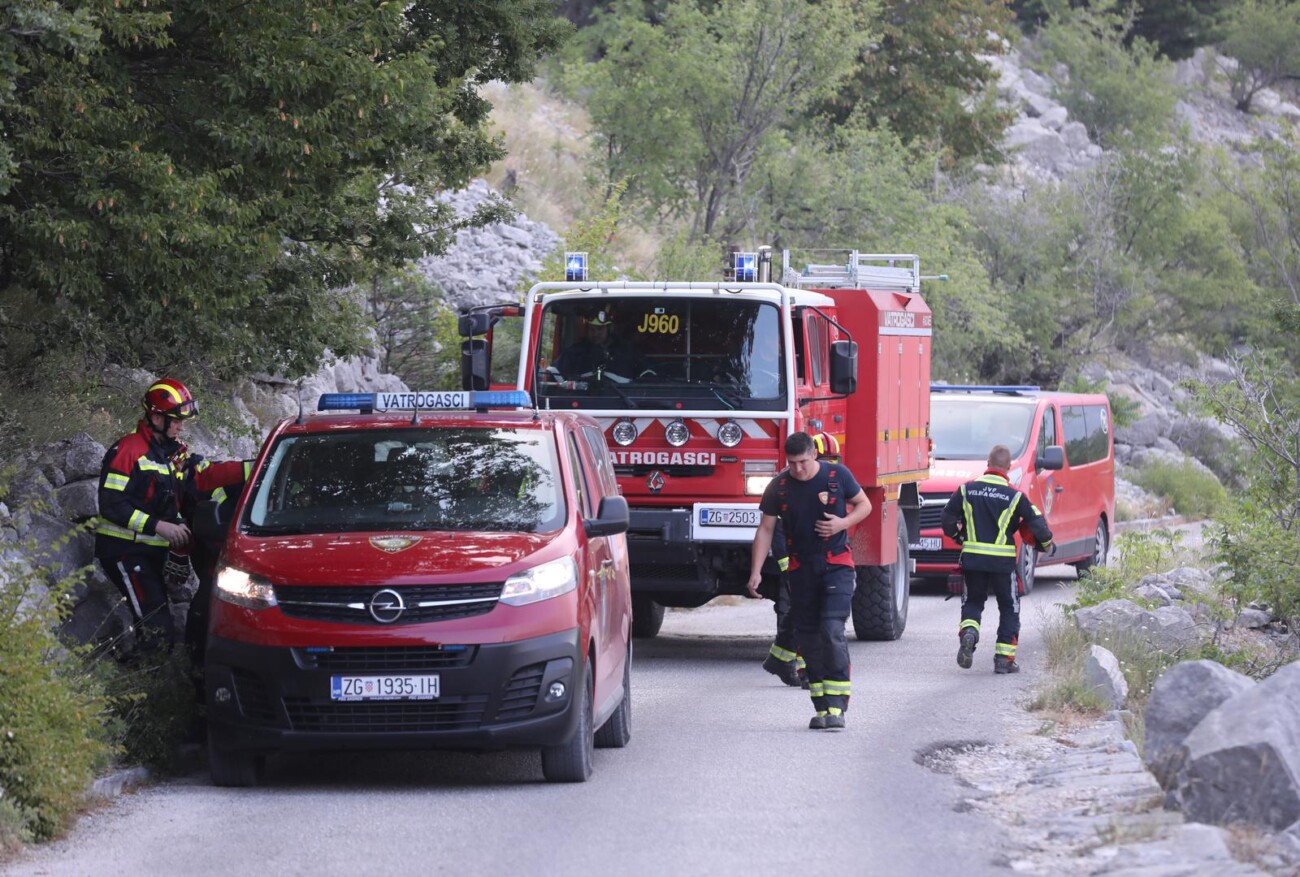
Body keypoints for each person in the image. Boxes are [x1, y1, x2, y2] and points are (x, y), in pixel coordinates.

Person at [94, 379, 250, 654]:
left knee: (158, 629)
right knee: (157, 630)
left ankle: (147, 678)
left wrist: (257, 467)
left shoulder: (172, 453)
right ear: (156, 417)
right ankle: (139, 688)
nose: (181, 426)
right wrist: (160, 527)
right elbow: (111, 505)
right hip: (125, 551)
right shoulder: (128, 451)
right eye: (176, 420)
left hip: (151, 550)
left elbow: (200, 479)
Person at [747, 432, 872, 731]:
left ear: (813, 455)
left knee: (831, 630)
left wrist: (842, 523)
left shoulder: (837, 475)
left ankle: (839, 706)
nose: (798, 469)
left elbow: (864, 504)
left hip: (837, 565)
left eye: (803, 462)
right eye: (792, 464)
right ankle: (822, 705)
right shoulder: (779, 486)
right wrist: (756, 571)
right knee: (809, 638)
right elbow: (765, 529)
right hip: (800, 570)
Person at [941, 444, 1054, 674]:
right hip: (1002, 564)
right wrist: (1047, 545)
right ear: (1009, 468)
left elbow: (947, 519)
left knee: (973, 602)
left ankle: (970, 634)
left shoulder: (966, 490)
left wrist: (960, 536)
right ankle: (1004, 659)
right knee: (1008, 607)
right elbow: (1039, 525)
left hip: (973, 560)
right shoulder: (1015, 496)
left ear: (987, 464)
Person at [760, 431, 841, 688]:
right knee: (799, 613)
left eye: (833, 459)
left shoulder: (828, 480)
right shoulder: (787, 487)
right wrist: (784, 563)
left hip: (813, 562)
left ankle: (785, 660)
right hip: (794, 561)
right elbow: (773, 529)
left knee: (805, 613)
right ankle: (799, 665)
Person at [552, 309, 655, 383]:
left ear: (609, 329)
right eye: (591, 329)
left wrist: (635, 387)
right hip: (584, 402)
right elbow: (553, 373)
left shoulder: (627, 351)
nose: (595, 333)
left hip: (624, 403)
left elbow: (649, 373)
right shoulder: (575, 352)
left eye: (600, 329)